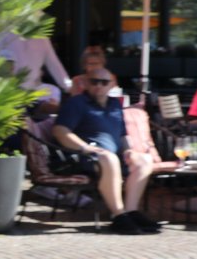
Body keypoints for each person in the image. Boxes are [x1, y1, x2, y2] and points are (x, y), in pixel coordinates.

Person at [52, 70, 160, 235]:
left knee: (144, 160)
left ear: (112, 85)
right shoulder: (76, 103)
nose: (99, 86)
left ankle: (131, 212)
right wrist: (85, 147)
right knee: (109, 158)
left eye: (104, 82)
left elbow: (123, 134)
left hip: (113, 157)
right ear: (86, 83)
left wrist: (128, 150)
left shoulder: (115, 104)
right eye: (94, 81)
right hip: (83, 158)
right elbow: (60, 131)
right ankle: (118, 215)